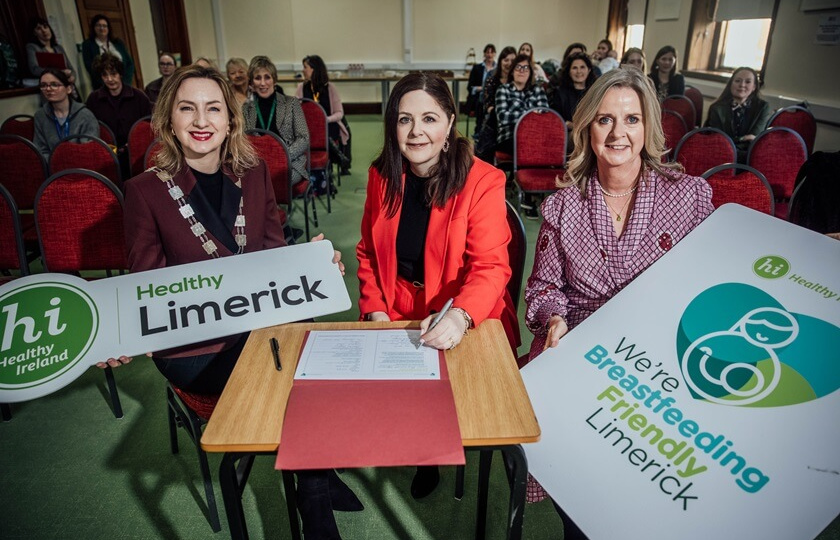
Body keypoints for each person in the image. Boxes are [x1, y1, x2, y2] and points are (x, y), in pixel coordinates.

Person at [103, 64, 350, 540]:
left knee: (316, 355)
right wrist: (119, 335)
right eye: (187, 108)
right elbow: (145, 289)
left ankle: (314, 486)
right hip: (196, 348)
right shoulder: (144, 192)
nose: (202, 120)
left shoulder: (254, 173)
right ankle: (318, 498)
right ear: (169, 121)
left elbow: (274, 253)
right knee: (289, 379)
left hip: (257, 328)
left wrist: (313, 270)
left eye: (214, 108)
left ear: (231, 120)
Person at [523, 67, 713, 537]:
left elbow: (709, 290)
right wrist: (554, 319)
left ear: (648, 127)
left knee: (646, 502)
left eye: (631, 119)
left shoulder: (689, 197)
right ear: (588, 128)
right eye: (605, 120)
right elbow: (541, 289)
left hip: (658, 367)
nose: (618, 132)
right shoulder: (563, 204)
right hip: (579, 357)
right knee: (580, 498)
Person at [357, 72, 519, 500]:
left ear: (449, 122)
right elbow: (367, 253)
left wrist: (461, 316)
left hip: (466, 308)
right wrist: (375, 309)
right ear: (393, 125)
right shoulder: (382, 174)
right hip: (397, 303)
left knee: (454, 392)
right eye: (405, 120)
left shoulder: (482, 181)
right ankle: (420, 444)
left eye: (429, 118)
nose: (416, 132)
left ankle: (434, 448)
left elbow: (490, 267)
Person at [243, 55, 309, 186]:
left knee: (272, 181)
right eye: (257, 78)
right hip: (257, 165)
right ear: (251, 83)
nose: (262, 83)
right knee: (245, 181)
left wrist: (281, 156)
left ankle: (268, 206)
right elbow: (243, 141)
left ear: (274, 80)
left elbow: (304, 138)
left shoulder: (291, 104)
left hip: (289, 162)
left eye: (267, 77)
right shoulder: (245, 109)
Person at [85, 54, 151, 178]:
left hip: (136, 153)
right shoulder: (93, 100)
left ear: (120, 74)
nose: (110, 79)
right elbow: (91, 129)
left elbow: (148, 127)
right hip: (107, 155)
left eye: (113, 74)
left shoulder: (139, 97)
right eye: (105, 75)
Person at [295, 55, 351, 173]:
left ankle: (332, 160)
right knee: (314, 135)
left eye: (305, 67)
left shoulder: (330, 88)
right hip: (308, 128)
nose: (303, 70)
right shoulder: (301, 88)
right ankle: (338, 156)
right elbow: (295, 110)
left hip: (327, 125)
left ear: (314, 69)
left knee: (324, 134)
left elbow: (339, 113)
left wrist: (325, 119)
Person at [705, 67, 772, 163]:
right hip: (721, 156)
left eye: (748, 82)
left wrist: (734, 142)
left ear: (754, 87)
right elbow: (718, 140)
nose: (742, 85)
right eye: (737, 81)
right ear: (731, 84)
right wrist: (743, 138)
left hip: (749, 159)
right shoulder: (716, 108)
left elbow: (754, 139)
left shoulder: (763, 107)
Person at [32, 68, 98, 159]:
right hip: (52, 169)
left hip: (80, 167)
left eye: (54, 85)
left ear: (69, 89)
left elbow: (89, 150)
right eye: (43, 85)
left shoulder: (85, 115)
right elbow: (41, 150)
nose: (48, 89)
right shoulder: (40, 116)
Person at [474, 45, 515, 162]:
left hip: (512, 123)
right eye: (506, 60)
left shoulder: (517, 80)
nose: (509, 63)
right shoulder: (492, 78)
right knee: (492, 122)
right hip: (495, 119)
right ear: (501, 60)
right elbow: (488, 106)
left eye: (512, 60)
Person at [82, 14, 135, 89]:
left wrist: (125, 82)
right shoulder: (88, 44)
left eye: (104, 26)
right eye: (98, 25)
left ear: (108, 28)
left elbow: (130, 63)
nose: (102, 28)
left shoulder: (118, 42)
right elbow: (91, 68)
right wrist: (108, 83)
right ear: (93, 28)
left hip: (124, 84)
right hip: (102, 86)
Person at [548, 52, 597, 127]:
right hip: (568, 134)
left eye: (582, 67)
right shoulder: (560, 93)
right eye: (574, 68)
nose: (579, 71)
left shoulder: (595, 92)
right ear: (569, 72)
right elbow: (556, 119)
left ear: (589, 70)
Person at [26, 18, 75, 84]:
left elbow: (70, 68)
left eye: (45, 27)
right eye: (39, 28)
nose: (44, 30)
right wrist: (60, 73)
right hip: (49, 84)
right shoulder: (32, 47)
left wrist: (72, 77)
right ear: (34, 33)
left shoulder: (59, 48)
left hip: (65, 83)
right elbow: (34, 69)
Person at [466, 43, 496, 133]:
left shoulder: (498, 68)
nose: (489, 55)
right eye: (487, 52)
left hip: (493, 98)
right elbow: (469, 87)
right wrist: (480, 88)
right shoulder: (477, 68)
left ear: (495, 54)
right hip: (479, 98)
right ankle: (478, 133)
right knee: (481, 105)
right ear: (484, 54)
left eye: (491, 52)